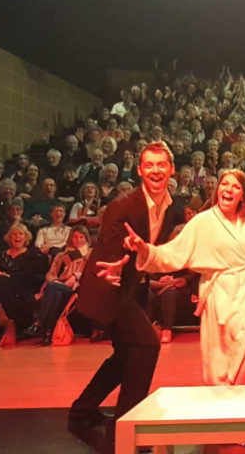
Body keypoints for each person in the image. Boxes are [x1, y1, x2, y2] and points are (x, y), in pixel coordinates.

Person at [70, 141, 185, 442]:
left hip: (131, 289)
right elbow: (110, 244)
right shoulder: (122, 207)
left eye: (162, 164)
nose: (156, 170)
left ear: (171, 169)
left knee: (126, 353)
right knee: (148, 346)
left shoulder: (172, 206)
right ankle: (128, 426)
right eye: (149, 165)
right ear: (140, 170)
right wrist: (118, 260)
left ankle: (82, 409)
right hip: (108, 288)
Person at [126, 169, 245, 385]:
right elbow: (175, 252)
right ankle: (231, 397)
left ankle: (239, 395)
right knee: (228, 356)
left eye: (236, 186)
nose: (228, 189)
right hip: (220, 294)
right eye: (225, 184)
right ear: (218, 190)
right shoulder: (203, 221)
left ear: (243, 195)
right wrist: (147, 250)